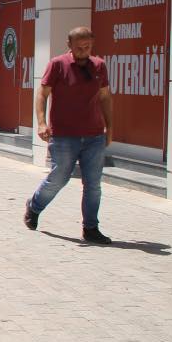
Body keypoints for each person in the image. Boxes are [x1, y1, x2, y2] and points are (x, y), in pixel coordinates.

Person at [24, 26, 113, 244]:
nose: (84, 51)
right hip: (64, 135)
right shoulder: (57, 64)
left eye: (88, 47)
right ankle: (34, 206)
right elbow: (42, 94)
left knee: (93, 184)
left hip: (93, 135)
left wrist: (109, 128)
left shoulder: (99, 66)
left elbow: (105, 97)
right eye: (80, 47)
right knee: (59, 178)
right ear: (69, 46)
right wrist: (42, 123)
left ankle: (90, 228)